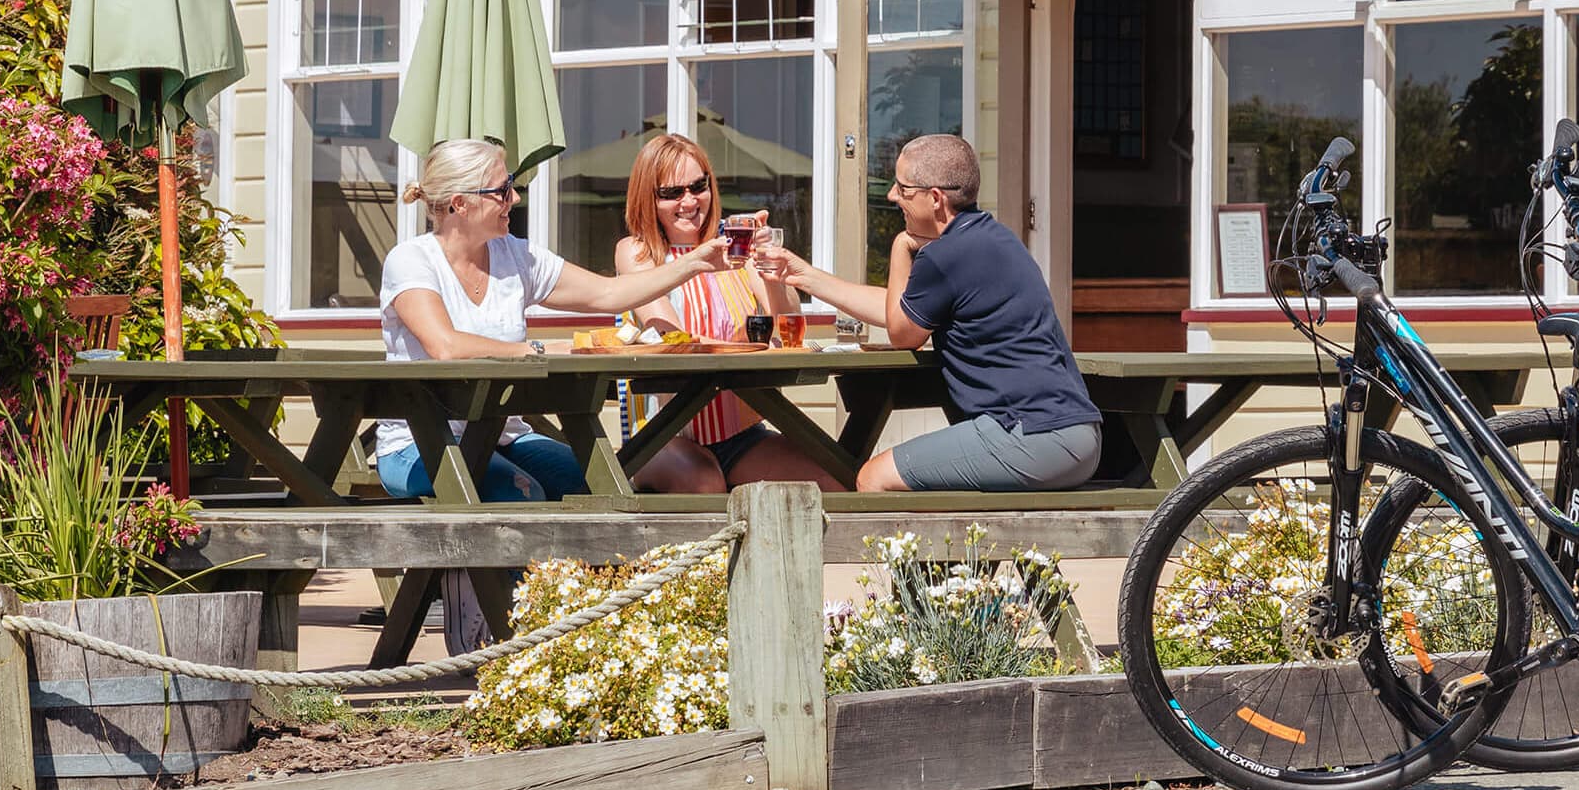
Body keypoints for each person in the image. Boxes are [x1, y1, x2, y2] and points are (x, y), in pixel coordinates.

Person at [374, 137, 734, 504]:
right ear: (460, 204)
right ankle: (491, 566)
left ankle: (584, 565)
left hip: (505, 435)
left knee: (603, 489)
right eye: (502, 190)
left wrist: (694, 263)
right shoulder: (411, 260)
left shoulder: (516, 255)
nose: (514, 199)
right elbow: (446, 347)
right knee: (519, 493)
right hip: (418, 443)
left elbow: (607, 294)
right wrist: (537, 350)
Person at [756, 134, 1101, 493]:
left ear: (934, 198)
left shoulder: (945, 255)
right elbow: (901, 310)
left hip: (1032, 436)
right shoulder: (992, 238)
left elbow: (902, 333)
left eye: (902, 188)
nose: (891, 196)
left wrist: (900, 245)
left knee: (873, 480)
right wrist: (802, 276)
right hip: (1076, 436)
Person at [612, 133, 844, 493]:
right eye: (672, 193)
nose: (689, 201)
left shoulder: (736, 245)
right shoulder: (638, 252)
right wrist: (751, 351)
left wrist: (770, 264)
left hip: (740, 436)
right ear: (649, 199)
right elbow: (675, 339)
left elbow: (787, 328)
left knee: (835, 477)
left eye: (698, 186)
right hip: (664, 435)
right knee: (705, 483)